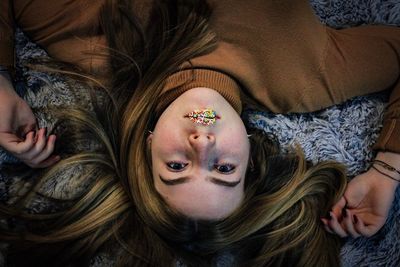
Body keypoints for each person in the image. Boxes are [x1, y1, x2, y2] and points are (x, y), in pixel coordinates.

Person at [0, 0, 399, 266]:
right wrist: (388, 170)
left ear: (149, 141)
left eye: (176, 165)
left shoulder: (101, 50)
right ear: (248, 155)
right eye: (224, 169)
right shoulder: (306, 80)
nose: (203, 144)